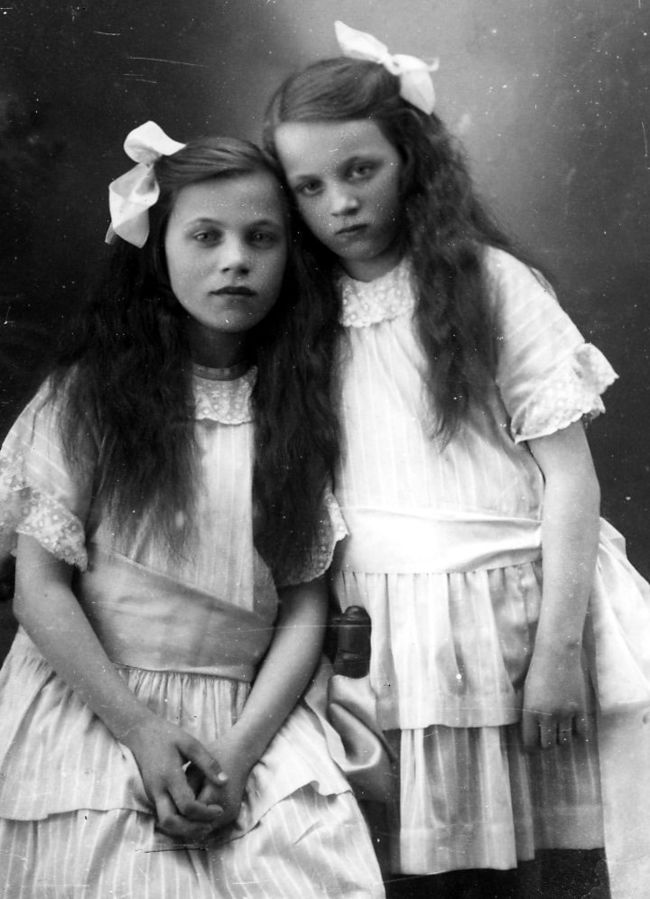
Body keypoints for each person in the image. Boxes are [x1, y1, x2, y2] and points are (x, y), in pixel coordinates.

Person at [262, 21, 650, 899]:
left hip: (508, 623)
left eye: (360, 171)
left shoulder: (489, 284)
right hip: (379, 634)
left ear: (411, 158)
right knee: (400, 870)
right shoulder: (301, 314)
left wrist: (557, 655)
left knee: (525, 872)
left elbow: (571, 477)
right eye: (310, 187)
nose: (339, 204)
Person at [0, 122, 385, 898]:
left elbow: (305, 605)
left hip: (249, 716)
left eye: (261, 238)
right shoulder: (90, 394)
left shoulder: (295, 408)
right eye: (206, 236)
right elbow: (38, 588)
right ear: (158, 250)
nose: (235, 259)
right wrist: (139, 727)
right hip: (100, 701)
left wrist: (239, 753)